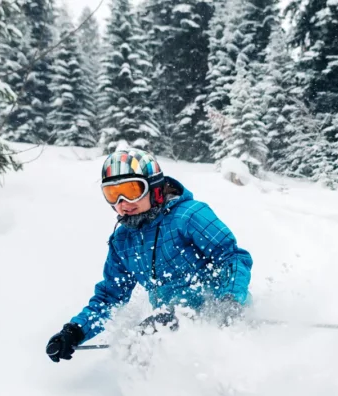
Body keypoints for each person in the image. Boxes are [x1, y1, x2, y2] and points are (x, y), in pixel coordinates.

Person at [46, 148, 253, 363]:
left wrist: (229, 301)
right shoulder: (122, 242)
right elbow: (110, 297)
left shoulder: (188, 215)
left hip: (222, 312)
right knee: (139, 344)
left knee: (151, 331)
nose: (122, 202)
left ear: (154, 187)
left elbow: (232, 257)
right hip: (172, 322)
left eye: (131, 190)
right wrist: (74, 332)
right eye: (112, 194)